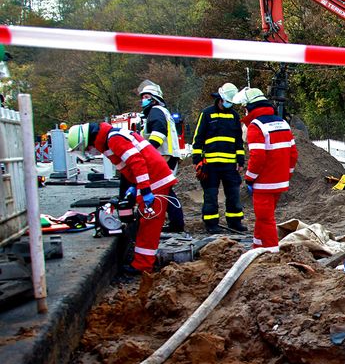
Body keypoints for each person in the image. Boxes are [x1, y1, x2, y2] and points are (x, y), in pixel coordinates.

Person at [66, 121, 176, 274]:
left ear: (90, 140)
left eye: (88, 147)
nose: (90, 150)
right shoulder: (110, 138)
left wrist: (144, 189)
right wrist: (134, 186)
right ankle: (142, 261)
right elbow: (131, 165)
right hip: (152, 178)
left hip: (154, 179)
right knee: (147, 222)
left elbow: (137, 162)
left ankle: (143, 266)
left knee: (149, 224)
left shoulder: (113, 139)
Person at [235, 87, 298, 252]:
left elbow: (258, 157)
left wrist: (249, 178)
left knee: (266, 219)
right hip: (280, 182)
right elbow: (293, 154)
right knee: (262, 218)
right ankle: (257, 247)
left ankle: (272, 252)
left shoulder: (256, 126)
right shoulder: (282, 122)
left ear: (249, 107)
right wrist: (287, 174)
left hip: (264, 184)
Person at [191, 83, 247, 233]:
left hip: (229, 165)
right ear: (221, 98)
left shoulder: (234, 116)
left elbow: (238, 141)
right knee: (210, 195)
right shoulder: (207, 113)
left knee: (233, 195)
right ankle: (211, 224)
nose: (229, 104)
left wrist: (240, 161)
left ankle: (235, 222)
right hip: (210, 165)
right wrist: (197, 160)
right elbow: (198, 138)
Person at [136, 80, 185, 233]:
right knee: (166, 190)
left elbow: (159, 134)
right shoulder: (161, 111)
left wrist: (146, 151)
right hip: (167, 155)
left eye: (146, 96)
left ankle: (176, 224)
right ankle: (176, 223)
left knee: (165, 190)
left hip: (163, 156)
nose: (143, 99)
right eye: (142, 96)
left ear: (154, 98)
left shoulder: (155, 111)